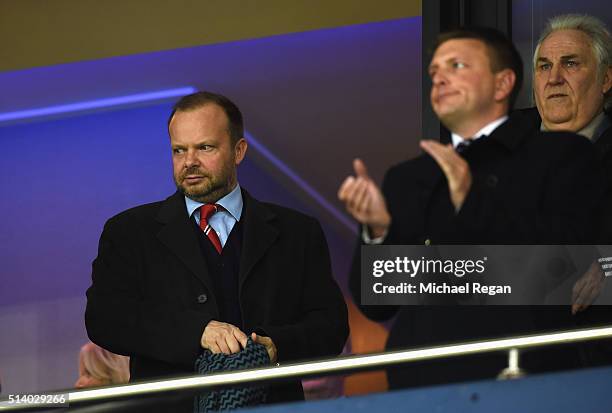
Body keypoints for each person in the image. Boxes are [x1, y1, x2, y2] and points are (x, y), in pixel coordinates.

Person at [338, 27, 601, 389]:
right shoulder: (408, 176)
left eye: (457, 65)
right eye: (434, 72)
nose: (440, 78)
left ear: (502, 84)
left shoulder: (559, 155)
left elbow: (563, 270)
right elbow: (376, 303)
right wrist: (380, 232)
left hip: (526, 376)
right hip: (421, 383)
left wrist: (470, 203)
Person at [85, 91, 348, 409]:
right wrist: (197, 331)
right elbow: (105, 318)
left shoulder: (298, 232)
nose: (189, 161)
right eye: (179, 150)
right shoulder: (129, 232)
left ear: (239, 151)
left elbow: (331, 326)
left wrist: (275, 346)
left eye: (204, 147)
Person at [525, 14, 612, 365]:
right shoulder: (495, 150)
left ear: (606, 78)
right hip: (503, 362)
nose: (554, 78)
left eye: (570, 64)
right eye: (544, 66)